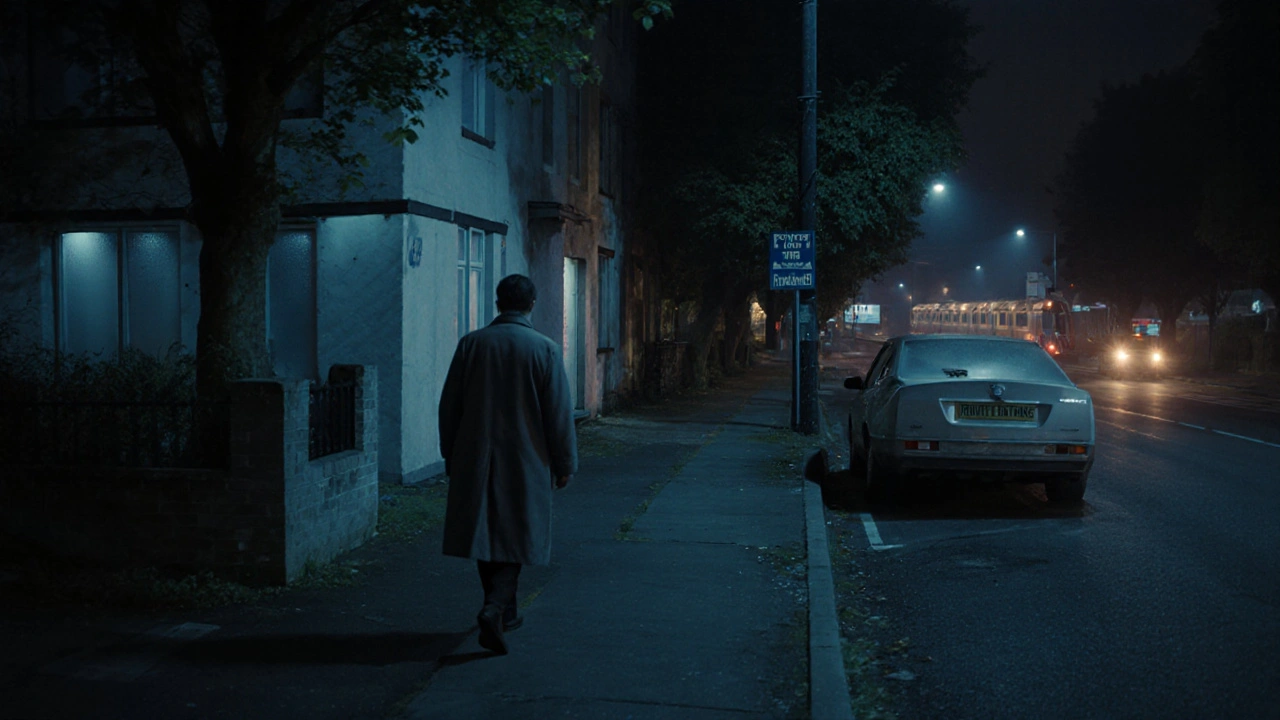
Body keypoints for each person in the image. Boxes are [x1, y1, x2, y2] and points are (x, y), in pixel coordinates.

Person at [437, 274, 578, 655]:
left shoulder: (471, 345)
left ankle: (501, 611)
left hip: (476, 456)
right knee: (517, 533)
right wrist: (564, 462)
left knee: (485, 531)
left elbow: (449, 405)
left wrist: (450, 453)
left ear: (498, 303)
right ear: (532, 304)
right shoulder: (544, 349)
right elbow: (559, 414)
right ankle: (497, 607)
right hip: (526, 458)